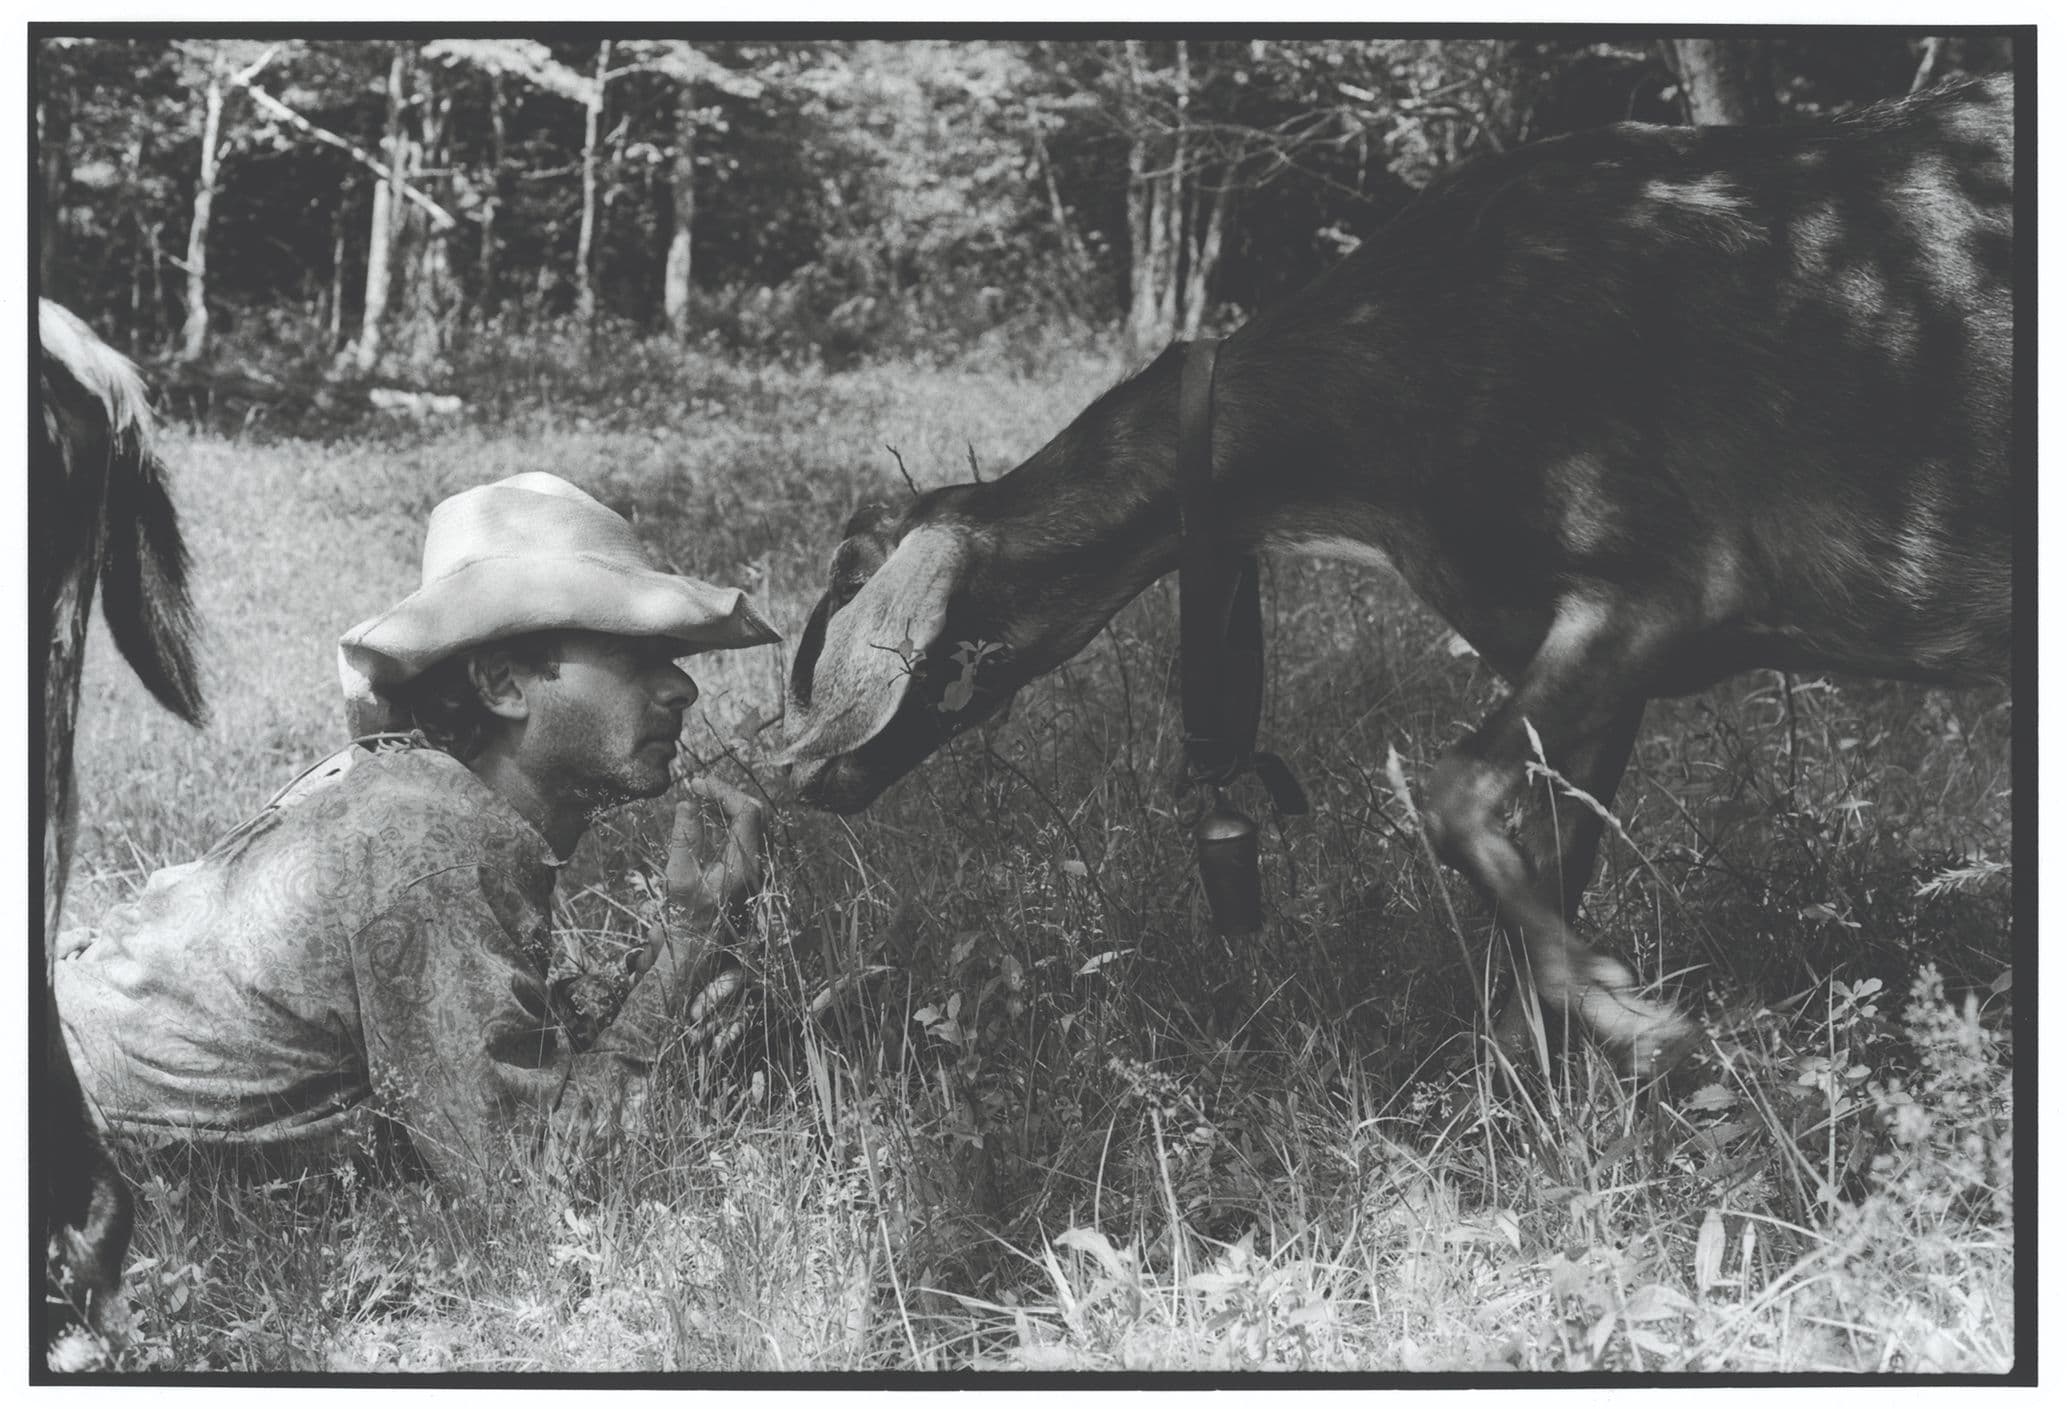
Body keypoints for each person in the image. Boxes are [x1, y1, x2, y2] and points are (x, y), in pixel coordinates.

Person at [54, 472, 782, 1189]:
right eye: (633, 656)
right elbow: (516, 1173)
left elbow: (473, 1040)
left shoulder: (433, 797)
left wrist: (640, 987)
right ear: (500, 684)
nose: (681, 687)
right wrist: (685, 949)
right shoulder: (434, 847)